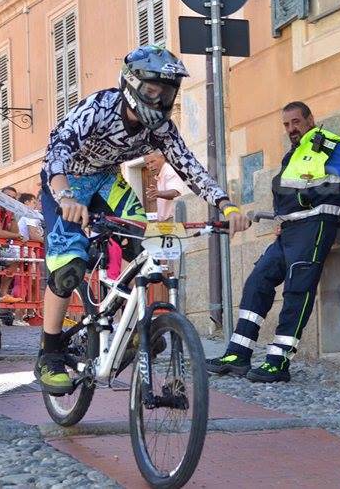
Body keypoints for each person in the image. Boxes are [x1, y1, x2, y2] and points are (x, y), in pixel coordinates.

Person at [34, 45, 250, 394]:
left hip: (105, 180)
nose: (160, 99)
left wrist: (226, 205)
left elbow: (190, 167)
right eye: (152, 91)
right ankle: (50, 351)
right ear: (132, 85)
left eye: (166, 93)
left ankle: (129, 323)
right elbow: (57, 149)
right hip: (64, 182)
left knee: (143, 240)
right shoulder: (99, 109)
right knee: (67, 268)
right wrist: (65, 196)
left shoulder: (161, 128)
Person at [207, 101, 340, 383]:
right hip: (288, 231)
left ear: (310, 119)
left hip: (314, 227)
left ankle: (278, 361)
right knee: (257, 282)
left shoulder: (325, 144)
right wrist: (281, 222)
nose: (291, 129)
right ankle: (238, 353)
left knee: (297, 292)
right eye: (286, 125)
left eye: (296, 122)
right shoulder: (294, 154)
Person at [145, 152, 189, 221]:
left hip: (173, 220)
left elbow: (175, 192)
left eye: (152, 161)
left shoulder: (169, 171)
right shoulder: (160, 174)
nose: (150, 166)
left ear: (163, 158)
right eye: (147, 164)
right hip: (165, 222)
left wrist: (158, 193)